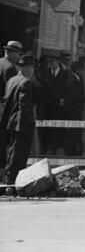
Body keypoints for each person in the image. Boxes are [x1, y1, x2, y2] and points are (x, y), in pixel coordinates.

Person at [0, 53, 36, 195]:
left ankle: (10, 181)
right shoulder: (26, 82)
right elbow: (25, 106)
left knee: (11, 152)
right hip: (21, 125)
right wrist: (30, 122)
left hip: (10, 122)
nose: (32, 71)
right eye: (32, 68)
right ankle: (12, 183)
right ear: (27, 68)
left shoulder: (11, 81)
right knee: (19, 155)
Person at [62, 61, 85, 156]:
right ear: (77, 70)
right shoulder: (72, 81)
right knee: (72, 133)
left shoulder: (77, 79)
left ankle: (75, 151)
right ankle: (70, 152)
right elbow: (75, 96)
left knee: (76, 132)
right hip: (73, 111)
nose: (83, 72)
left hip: (76, 110)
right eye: (82, 70)